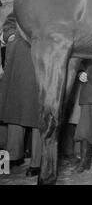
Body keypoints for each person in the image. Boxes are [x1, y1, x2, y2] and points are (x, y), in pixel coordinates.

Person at [0, 11, 41, 176]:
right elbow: (9, 23)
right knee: (14, 110)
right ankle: (13, 155)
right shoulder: (21, 4)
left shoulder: (50, 1)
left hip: (39, 62)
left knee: (38, 114)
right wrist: (10, 35)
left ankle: (38, 162)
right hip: (17, 63)